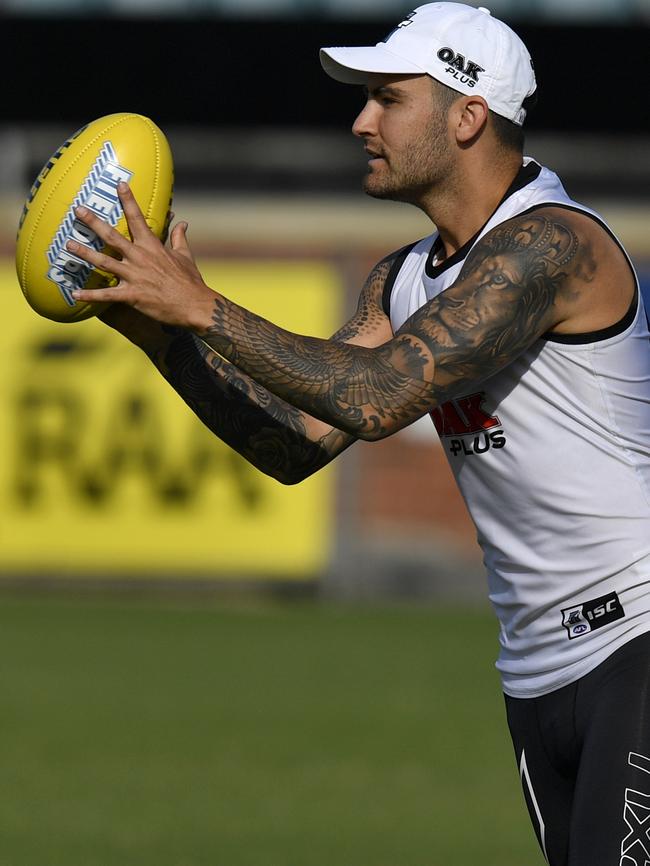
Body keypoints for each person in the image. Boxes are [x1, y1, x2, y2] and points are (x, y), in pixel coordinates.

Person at [65, 4, 650, 864]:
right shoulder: (405, 277)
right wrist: (161, 338)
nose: (360, 121)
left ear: (467, 116)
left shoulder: (553, 246)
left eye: (386, 98)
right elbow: (296, 444)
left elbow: (377, 397)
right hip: (535, 672)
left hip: (637, 643)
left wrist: (201, 306)